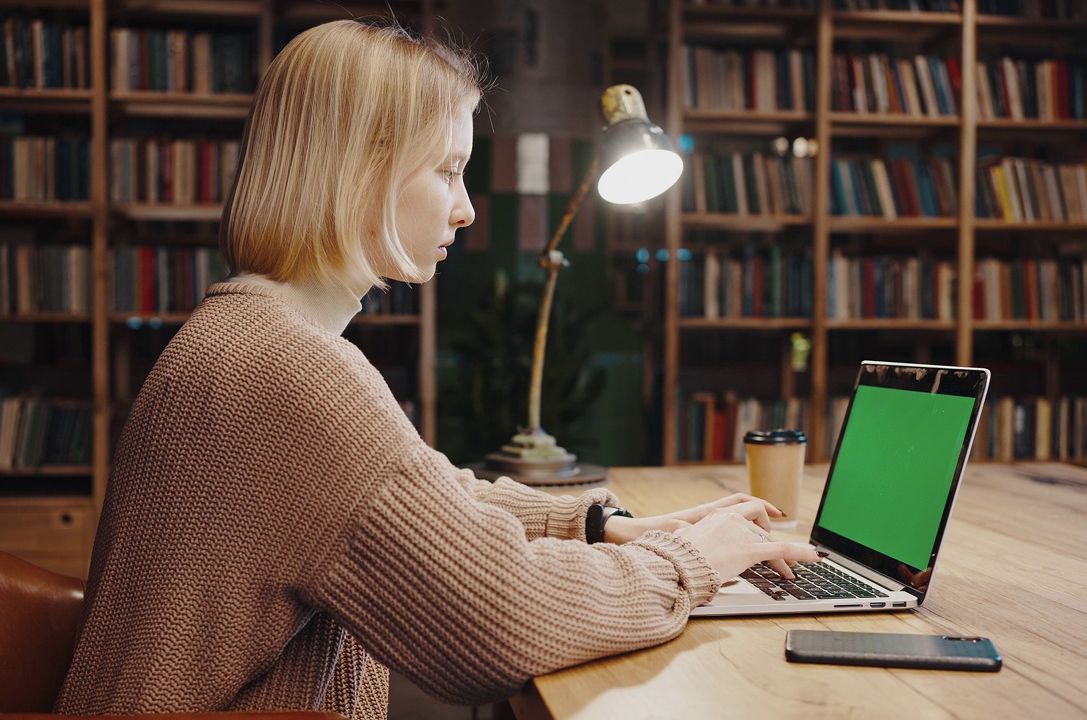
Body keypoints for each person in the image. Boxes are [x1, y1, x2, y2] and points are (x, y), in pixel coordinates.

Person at [54, 19, 820, 719]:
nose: (466, 210)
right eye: (448, 171)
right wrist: (689, 564)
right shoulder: (286, 368)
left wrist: (608, 526)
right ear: (358, 170)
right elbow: (503, 625)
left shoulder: (248, 333)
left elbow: (422, 498)